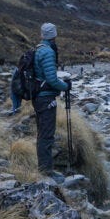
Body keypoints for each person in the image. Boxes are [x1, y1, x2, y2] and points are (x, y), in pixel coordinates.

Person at [33, 23, 71, 173]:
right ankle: (46, 172)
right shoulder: (48, 52)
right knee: (47, 136)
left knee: (43, 133)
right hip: (46, 98)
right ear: (54, 35)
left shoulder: (38, 49)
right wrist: (66, 86)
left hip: (39, 97)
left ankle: (44, 168)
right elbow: (52, 79)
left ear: (42, 35)